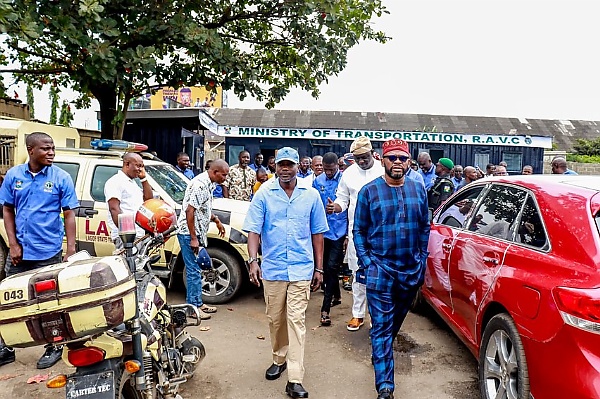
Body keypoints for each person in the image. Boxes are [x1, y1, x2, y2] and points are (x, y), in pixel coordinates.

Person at [243, 147, 328, 399]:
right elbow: (253, 231)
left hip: (302, 267)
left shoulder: (311, 195)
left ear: (296, 167)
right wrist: (252, 261)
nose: (286, 169)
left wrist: (319, 267)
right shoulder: (264, 195)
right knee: (275, 319)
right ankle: (279, 358)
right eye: (282, 165)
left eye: (290, 165)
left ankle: (294, 378)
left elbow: (318, 233)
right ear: (275, 167)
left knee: (296, 321)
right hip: (273, 267)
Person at [353, 139, 430, 399]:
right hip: (380, 272)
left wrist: (421, 260)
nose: (397, 162)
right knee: (383, 328)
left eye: (403, 158)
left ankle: (380, 350)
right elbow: (359, 231)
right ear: (382, 160)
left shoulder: (418, 190)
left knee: (391, 326)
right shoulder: (368, 192)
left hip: (410, 271)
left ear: (409, 162)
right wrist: (367, 262)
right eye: (392, 158)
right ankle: (385, 387)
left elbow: (424, 227)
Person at [0, 132, 79, 369]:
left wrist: (71, 248)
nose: (51, 153)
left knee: (49, 303)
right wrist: (13, 244)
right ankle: (6, 347)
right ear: (31, 150)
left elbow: (69, 214)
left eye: (53, 148)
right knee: (8, 300)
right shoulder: (14, 176)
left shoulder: (61, 177)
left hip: (48, 252)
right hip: (19, 253)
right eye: (46, 149)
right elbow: (7, 210)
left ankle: (53, 346)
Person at [327, 136, 384, 332]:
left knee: (380, 276)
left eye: (364, 157)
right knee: (358, 275)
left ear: (371, 153)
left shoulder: (383, 170)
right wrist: (335, 207)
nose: (361, 161)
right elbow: (342, 199)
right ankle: (358, 315)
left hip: (381, 234)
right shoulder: (349, 174)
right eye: (358, 158)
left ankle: (377, 317)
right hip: (357, 233)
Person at [177, 159, 229, 320]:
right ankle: (192, 308)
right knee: (193, 270)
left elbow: (203, 209)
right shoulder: (200, 185)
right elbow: (190, 211)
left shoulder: (209, 184)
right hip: (188, 233)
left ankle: (198, 303)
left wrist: (216, 220)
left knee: (198, 269)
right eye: (224, 174)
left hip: (197, 232)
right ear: (214, 172)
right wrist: (193, 238)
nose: (225, 178)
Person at [313, 152, 347, 327]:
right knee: (326, 267)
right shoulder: (318, 181)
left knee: (331, 268)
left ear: (337, 166)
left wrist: (348, 234)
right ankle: (337, 295)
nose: (328, 172)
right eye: (325, 169)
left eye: (331, 169)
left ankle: (325, 310)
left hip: (339, 232)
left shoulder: (345, 181)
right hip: (322, 231)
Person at [105, 152, 154, 250]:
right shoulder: (116, 182)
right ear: (127, 164)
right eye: (138, 166)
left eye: (142, 166)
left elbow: (149, 200)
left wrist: (143, 179)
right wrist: (126, 236)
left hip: (139, 235)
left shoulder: (132, 183)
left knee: (137, 265)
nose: (140, 169)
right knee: (129, 264)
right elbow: (114, 209)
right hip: (126, 237)